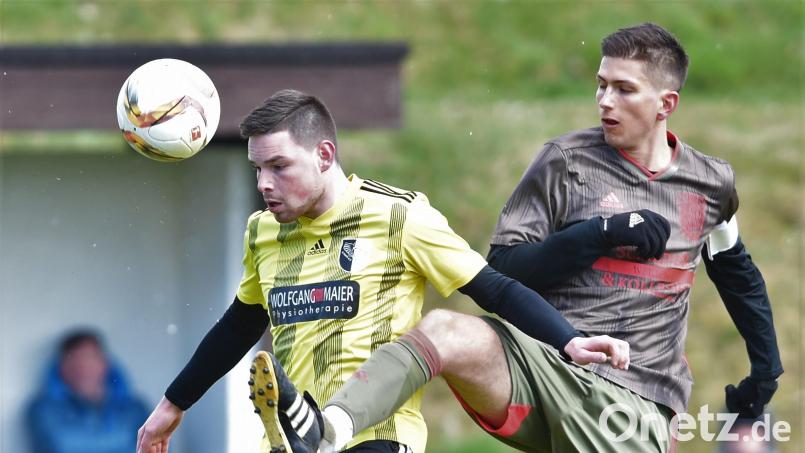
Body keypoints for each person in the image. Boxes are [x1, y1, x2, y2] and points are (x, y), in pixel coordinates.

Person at [256, 23, 783, 453]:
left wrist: (764, 370)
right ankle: (328, 431)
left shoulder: (709, 183)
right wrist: (597, 234)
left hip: (633, 404)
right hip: (548, 364)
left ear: (666, 103)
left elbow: (736, 272)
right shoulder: (564, 163)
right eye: (600, 84)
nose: (604, 100)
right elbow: (502, 270)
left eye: (623, 89)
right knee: (445, 328)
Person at [135, 89, 627, 453]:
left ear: (324, 155)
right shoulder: (262, 232)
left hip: (380, 439)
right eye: (257, 169)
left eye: (279, 166)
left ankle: (324, 425)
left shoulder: (400, 216)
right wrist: (171, 406)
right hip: (291, 446)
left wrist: (568, 340)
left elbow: (492, 288)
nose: (264, 183)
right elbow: (238, 326)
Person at [26, 329, 149, 453]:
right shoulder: (44, 410)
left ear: (105, 364)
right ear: (61, 368)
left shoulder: (135, 409)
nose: (83, 368)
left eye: (89, 359)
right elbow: (59, 447)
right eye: (75, 361)